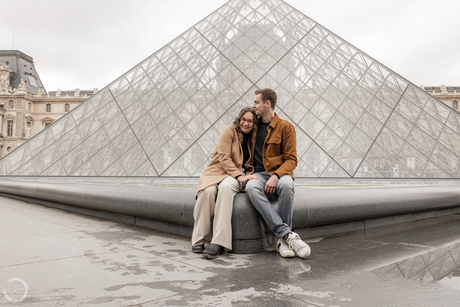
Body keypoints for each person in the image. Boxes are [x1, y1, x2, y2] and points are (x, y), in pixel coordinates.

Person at [246, 88, 311, 259]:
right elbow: (234, 137)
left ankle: (282, 241)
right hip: (258, 174)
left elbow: (291, 160)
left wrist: (276, 176)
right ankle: (287, 235)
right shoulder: (252, 127)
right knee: (251, 187)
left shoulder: (285, 127)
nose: (253, 106)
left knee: (287, 184)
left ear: (267, 104)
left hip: (280, 174)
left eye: (256, 102)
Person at [191, 107, 259, 259]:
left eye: (250, 121)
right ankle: (198, 239)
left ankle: (219, 242)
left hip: (235, 175)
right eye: (243, 119)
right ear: (238, 119)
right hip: (218, 171)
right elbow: (223, 156)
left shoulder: (255, 139)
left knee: (226, 186)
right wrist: (238, 176)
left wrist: (240, 176)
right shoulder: (229, 130)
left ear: (254, 123)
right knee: (207, 192)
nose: (245, 123)